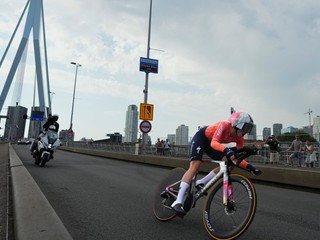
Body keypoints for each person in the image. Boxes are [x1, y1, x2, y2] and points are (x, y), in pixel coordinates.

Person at [171, 111, 262, 216]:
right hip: (202, 139)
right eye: (245, 128)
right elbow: (214, 142)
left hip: (212, 146)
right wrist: (227, 150)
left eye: (248, 129)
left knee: (230, 164)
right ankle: (177, 202)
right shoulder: (223, 125)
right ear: (237, 124)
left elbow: (236, 159)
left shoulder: (239, 139)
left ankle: (201, 182)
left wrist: (250, 168)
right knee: (195, 167)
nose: (246, 132)